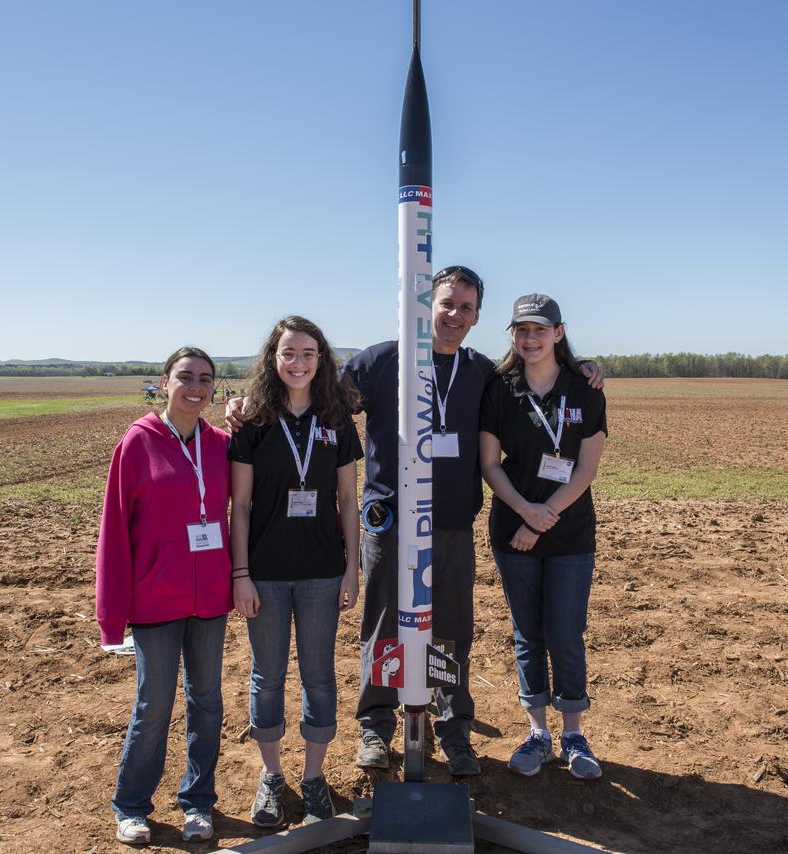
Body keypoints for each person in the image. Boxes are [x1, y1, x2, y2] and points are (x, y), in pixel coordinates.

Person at [225, 265, 602, 776]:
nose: (454, 315)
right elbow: (313, 388)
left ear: (477, 317)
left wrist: (584, 368)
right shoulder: (381, 362)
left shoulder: (479, 373)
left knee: (452, 630)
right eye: (446, 304)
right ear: (427, 304)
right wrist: (251, 402)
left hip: (450, 525)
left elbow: (538, 383)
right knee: (382, 624)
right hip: (388, 523)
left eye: (466, 308)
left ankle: (452, 727)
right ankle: (376, 727)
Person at [228, 316, 364, 826]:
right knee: (266, 678)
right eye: (289, 353)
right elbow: (239, 505)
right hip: (263, 574)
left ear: (321, 359)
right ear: (273, 359)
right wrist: (240, 573)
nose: (299, 362)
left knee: (319, 677)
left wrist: (352, 569)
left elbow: (349, 500)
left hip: (322, 573)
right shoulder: (253, 422)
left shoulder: (337, 420)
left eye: (309, 353)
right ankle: (270, 777)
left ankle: (312, 778)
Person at [95, 346, 233, 845]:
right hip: (155, 599)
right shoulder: (138, 443)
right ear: (164, 381)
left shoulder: (221, 444)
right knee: (153, 704)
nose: (196, 388)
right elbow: (114, 531)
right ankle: (131, 806)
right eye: (185, 377)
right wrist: (111, 618)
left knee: (208, 701)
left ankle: (198, 802)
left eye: (205, 379)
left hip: (210, 598)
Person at [478, 293, 607, 781]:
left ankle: (574, 733)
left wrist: (543, 517)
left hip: (569, 532)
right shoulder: (500, 390)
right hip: (513, 530)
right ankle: (538, 733)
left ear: (558, 332)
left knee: (566, 633)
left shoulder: (586, 387)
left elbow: (586, 469)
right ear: (513, 335)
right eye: (521, 331)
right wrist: (526, 516)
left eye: (540, 330)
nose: (530, 339)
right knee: (528, 634)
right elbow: (489, 463)